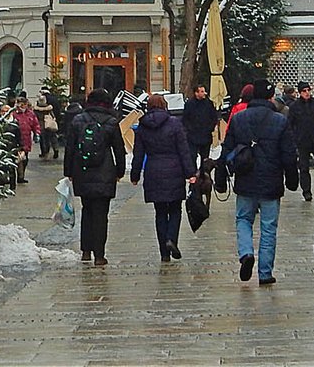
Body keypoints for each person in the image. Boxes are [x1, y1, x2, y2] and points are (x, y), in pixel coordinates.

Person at [217, 78, 298, 286]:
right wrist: (292, 179)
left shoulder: (239, 119)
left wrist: (220, 178)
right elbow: (288, 154)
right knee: (269, 227)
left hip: (245, 179)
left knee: (243, 219)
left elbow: (226, 149)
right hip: (271, 181)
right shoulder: (280, 120)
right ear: (270, 97)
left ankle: (245, 253)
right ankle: (265, 273)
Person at [64, 88, 127, 266]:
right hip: (105, 171)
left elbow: (70, 147)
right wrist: (119, 171)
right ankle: (99, 255)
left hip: (82, 171)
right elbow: (119, 150)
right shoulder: (111, 121)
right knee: (101, 214)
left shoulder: (78, 120)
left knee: (87, 210)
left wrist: (68, 171)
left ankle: (85, 250)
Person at [130, 93, 194, 261]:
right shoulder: (175, 124)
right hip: (174, 170)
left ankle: (164, 253)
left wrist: (135, 175)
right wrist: (190, 173)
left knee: (159, 212)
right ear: (164, 105)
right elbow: (184, 151)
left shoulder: (143, 127)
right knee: (175, 209)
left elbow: (138, 154)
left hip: (153, 171)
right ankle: (171, 238)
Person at [287, 81, 314, 201]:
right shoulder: (295, 107)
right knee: (304, 167)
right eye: (304, 91)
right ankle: (306, 191)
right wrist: (294, 138)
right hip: (302, 141)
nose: (307, 93)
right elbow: (290, 124)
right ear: (300, 92)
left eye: (308, 90)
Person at [182, 83, 218, 172]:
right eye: (201, 91)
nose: (204, 93)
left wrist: (210, 128)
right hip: (193, 136)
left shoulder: (209, 103)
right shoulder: (189, 104)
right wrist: (189, 129)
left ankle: (204, 174)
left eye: (204, 91)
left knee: (205, 158)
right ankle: (193, 174)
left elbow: (213, 117)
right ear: (196, 93)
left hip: (205, 135)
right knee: (192, 156)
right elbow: (185, 119)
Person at [11, 96, 40, 177]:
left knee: (25, 158)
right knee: (17, 158)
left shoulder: (30, 113)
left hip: (26, 139)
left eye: (24, 104)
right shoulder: (14, 113)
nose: (22, 106)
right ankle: (18, 175)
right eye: (21, 104)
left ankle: (21, 174)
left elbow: (35, 124)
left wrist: (37, 133)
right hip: (15, 139)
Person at [0, 103, 26, 186]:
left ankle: (12, 185)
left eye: (6, 111)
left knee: (12, 167)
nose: (4, 113)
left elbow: (19, 136)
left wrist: (21, 148)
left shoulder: (15, 123)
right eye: (3, 111)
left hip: (12, 148)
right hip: (1, 147)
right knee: (1, 166)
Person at [33, 90, 60, 160]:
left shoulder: (36, 109)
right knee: (52, 137)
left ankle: (45, 153)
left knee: (43, 140)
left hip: (41, 125)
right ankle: (55, 149)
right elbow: (53, 116)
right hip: (49, 124)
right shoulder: (49, 108)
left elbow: (34, 118)